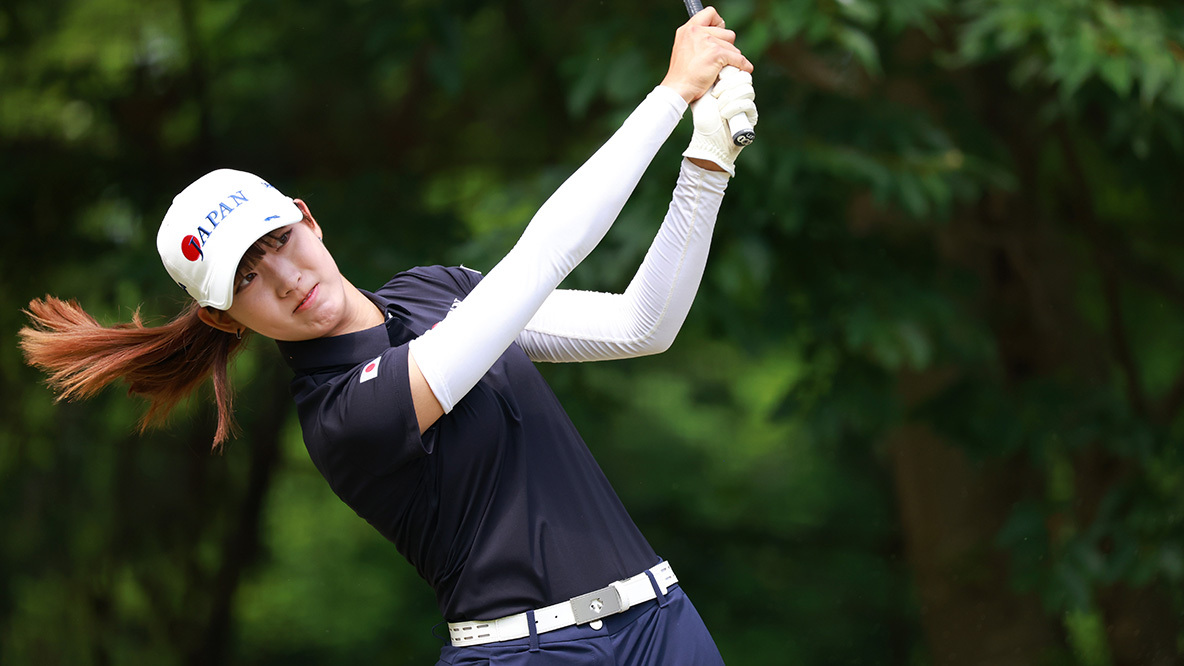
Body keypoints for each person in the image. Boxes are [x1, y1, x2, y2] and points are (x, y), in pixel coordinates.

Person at [21, 8, 757, 665]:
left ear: (308, 219)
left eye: (277, 240)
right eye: (246, 278)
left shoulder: (434, 290)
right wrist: (670, 96)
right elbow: (543, 255)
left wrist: (707, 161)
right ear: (222, 318)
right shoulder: (342, 414)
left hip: (665, 625)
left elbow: (640, 325)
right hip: (529, 654)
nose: (284, 276)